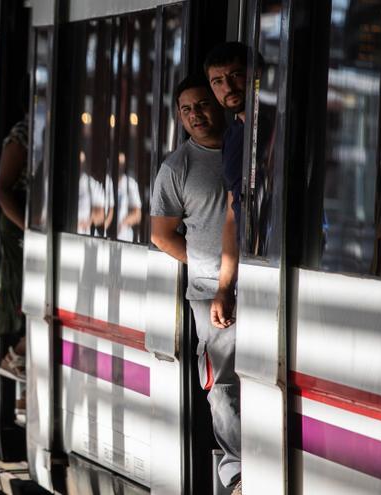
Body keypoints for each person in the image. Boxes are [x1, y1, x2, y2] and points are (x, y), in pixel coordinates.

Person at [150, 75, 242, 495]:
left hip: (256, 287)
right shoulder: (176, 167)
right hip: (208, 293)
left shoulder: (247, 148)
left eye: (202, 104)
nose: (195, 115)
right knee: (222, 385)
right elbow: (162, 234)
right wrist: (205, 264)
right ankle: (236, 474)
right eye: (186, 109)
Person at [206, 42, 248, 332]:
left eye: (235, 75)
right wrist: (225, 287)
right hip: (249, 268)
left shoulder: (279, 126)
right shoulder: (233, 136)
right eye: (218, 81)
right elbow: (234, 213)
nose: (228, 87)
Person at [0, 114, 29, 387]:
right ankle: (15, 356)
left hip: (36, 227)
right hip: (19, 226)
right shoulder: (22, 133)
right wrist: (29, 229)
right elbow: (2, 191)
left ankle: (22, 396)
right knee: (27, 300)